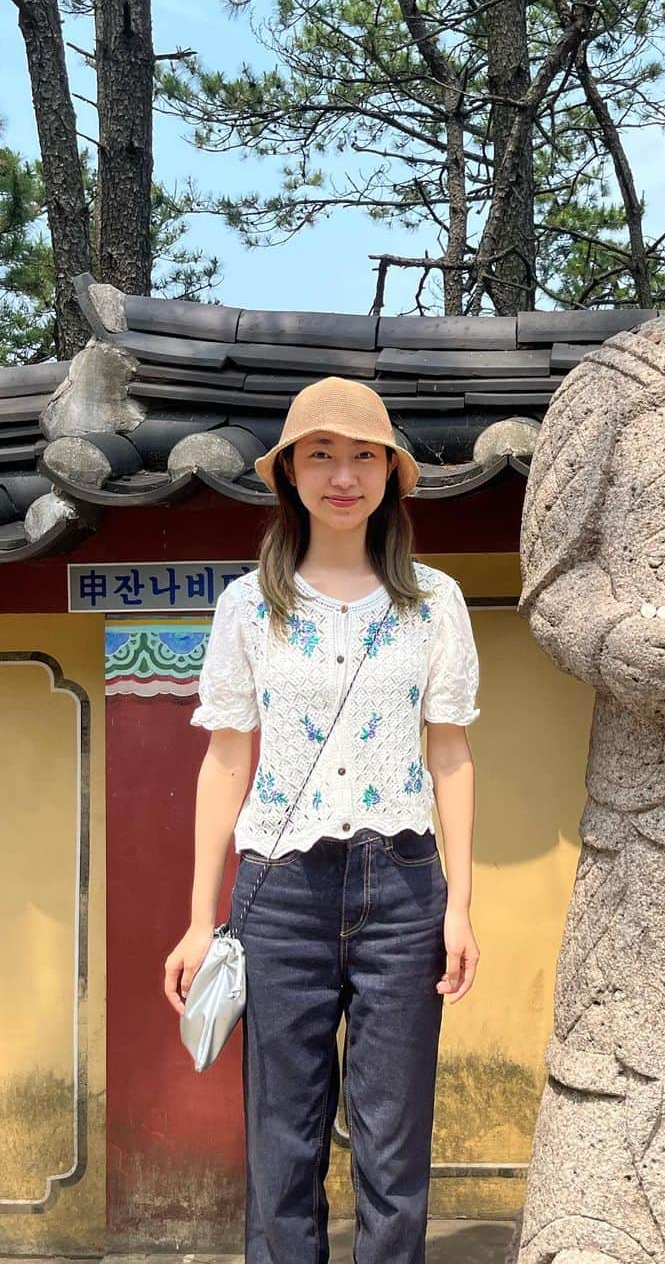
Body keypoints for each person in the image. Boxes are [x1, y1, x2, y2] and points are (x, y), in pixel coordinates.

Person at [163, 376, 481, 1264]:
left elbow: (449, 754)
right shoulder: (247, 608)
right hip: (280, 895)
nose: (344, 475)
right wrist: (199, 920)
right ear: (290, 477)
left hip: (407, 887)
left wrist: (459, 906)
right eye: (321, 456)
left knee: (392, 1145)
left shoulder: (435, 603)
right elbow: (227, 760)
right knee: (282, 1146)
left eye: (363, 456)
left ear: (391, 474)